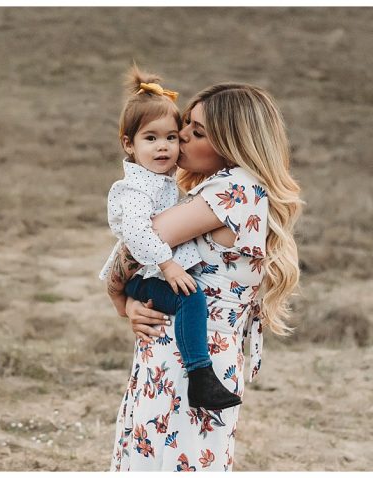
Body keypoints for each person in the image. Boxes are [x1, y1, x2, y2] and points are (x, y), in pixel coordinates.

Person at [104, 81, 302, 471]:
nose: (180, 141)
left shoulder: (234, 190)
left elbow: (137, 243)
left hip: (189, 354)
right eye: (184, 129)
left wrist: (117, 295)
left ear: (233, 142)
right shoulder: (238, 188)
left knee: (177, 458)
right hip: (191, 341)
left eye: (196, 132)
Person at [99, 66, 241, 411]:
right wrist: (167, 264)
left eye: (171, 137)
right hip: (148, 273)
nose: (163, 147)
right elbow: (135, 233)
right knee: (190, 300)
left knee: (188, 298)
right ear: (128, 145)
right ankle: (200, 376)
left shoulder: (160, 177)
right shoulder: (136, 187)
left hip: (150, 272)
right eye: (151, 139)